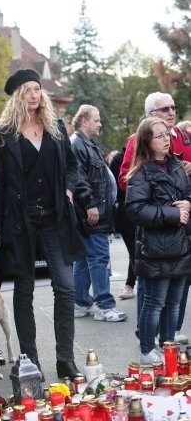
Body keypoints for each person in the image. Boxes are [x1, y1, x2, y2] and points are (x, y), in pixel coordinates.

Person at [0, 68, 85, 381]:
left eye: (37, 88)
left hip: (55, 218)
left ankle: (65, 360)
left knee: (66, 288)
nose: (35, 94)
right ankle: (30, 363)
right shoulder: (4, 135)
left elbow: (72, 166)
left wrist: (69, 190)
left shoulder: (54, 125)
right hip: (21, 222)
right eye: (28, 89)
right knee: (24, 291)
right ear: (18, 94)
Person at [118, 92, 191, 345]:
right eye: (165, 109)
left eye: (173, 107)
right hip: (155, 242)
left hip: (179, 243)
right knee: (153, 300)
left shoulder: (177, 162)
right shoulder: (140, 165)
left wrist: (188, 204)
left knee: (174, 301)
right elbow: (134, 202)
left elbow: (187, 192)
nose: (172, 112)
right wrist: (171, 212)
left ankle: (168, 344)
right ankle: (148, 344)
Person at [70, 104, 127, 322]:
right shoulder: (78, 144)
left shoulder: (85, 144)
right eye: (96, 120)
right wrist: (90, 204)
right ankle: (104, 305)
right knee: (99, 258)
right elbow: (79, 178)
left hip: (95, 212)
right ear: (84, 121)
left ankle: (81, 302)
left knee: (85, 260)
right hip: (93, 213)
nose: (100, 123)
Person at [110, 147, 136, 299]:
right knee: (135, 253)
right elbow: (116, 187)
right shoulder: (120, 159)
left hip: (140, 211)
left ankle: (130, 284)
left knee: (139, 253)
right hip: (125, 211)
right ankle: (130, 285)